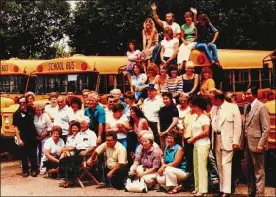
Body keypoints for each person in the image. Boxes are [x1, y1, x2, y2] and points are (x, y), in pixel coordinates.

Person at [210, 89, 242, 197]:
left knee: (226, 165)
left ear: (218, 99)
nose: (212, 102)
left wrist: (236, 141)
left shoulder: (232, 107)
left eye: (212, 100)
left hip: (228, 139)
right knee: (219, 165)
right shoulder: (214, 108)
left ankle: (227, 190)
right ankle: (222, 188)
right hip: (216, 139)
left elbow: (237, 125)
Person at [242, 85, 270, 197]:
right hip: (247, 144)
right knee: (249, 170)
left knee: (259, 171)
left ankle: (260, 194)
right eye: (246, 93)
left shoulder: (261, 107)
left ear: (254, 94)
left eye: (249, 93)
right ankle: (251, 192)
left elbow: (266, 128)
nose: (247, 95)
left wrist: (261, 144)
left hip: (257, 144)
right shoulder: (246, 107)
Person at [188, 96, 210, 196]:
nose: (193, 108)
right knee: (196, 167)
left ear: (199, 107)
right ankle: (197, 187)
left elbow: (206, 132)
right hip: (196, 145)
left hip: (203, 144)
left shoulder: (205, 118)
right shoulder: (197, 118)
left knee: (202, 167)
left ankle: (203, 189)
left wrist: (194, 138)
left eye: (194, 106)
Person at [13, 96, 38, 177]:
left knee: (33, 154)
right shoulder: (16, 114)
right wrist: (19, 139)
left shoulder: (31, 109)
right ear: (18, 103)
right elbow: (16, 127)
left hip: (32, 135)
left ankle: (34, 170)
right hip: (23, 135)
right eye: (21, 103)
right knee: (24, 155)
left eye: (24, 102)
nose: (22, 104)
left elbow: (40, 111)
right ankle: (25, 170)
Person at [33, 103, 52, 175]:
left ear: (42, 110)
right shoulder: (33, 116)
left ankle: (43, 168)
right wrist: (36, 136)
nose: (38, 112)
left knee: (43, 153)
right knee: (36, 152)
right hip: (35, 136)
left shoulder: (45, 116)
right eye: (37, 110)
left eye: (40, 110)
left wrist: (42, 136)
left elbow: (49, 127)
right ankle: (36, 167)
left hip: (44, 136)